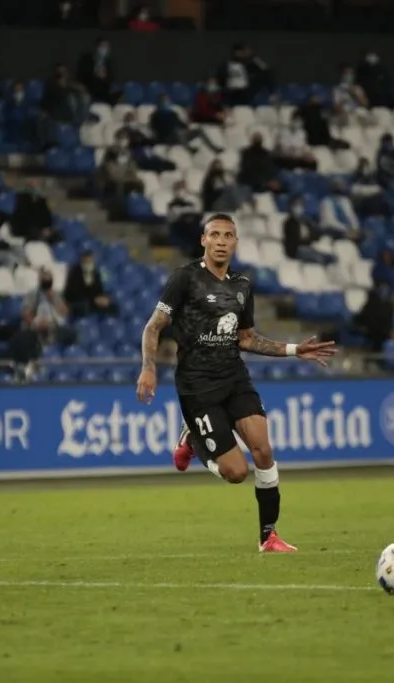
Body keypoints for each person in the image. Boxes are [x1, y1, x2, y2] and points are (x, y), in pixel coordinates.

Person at [136, 214, 335, 553]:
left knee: (264, 450)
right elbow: (154, 326)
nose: (221, 241)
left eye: (228, 235)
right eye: (215, 234)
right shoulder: (185, 279)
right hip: (197, 386)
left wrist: (293, 349)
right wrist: (148, 368)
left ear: (235, 242)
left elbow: (246, 339)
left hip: (234, 377)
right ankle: (193, 439)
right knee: (236, 472)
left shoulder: (242, 285)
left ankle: (268, 537)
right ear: (204, 240)